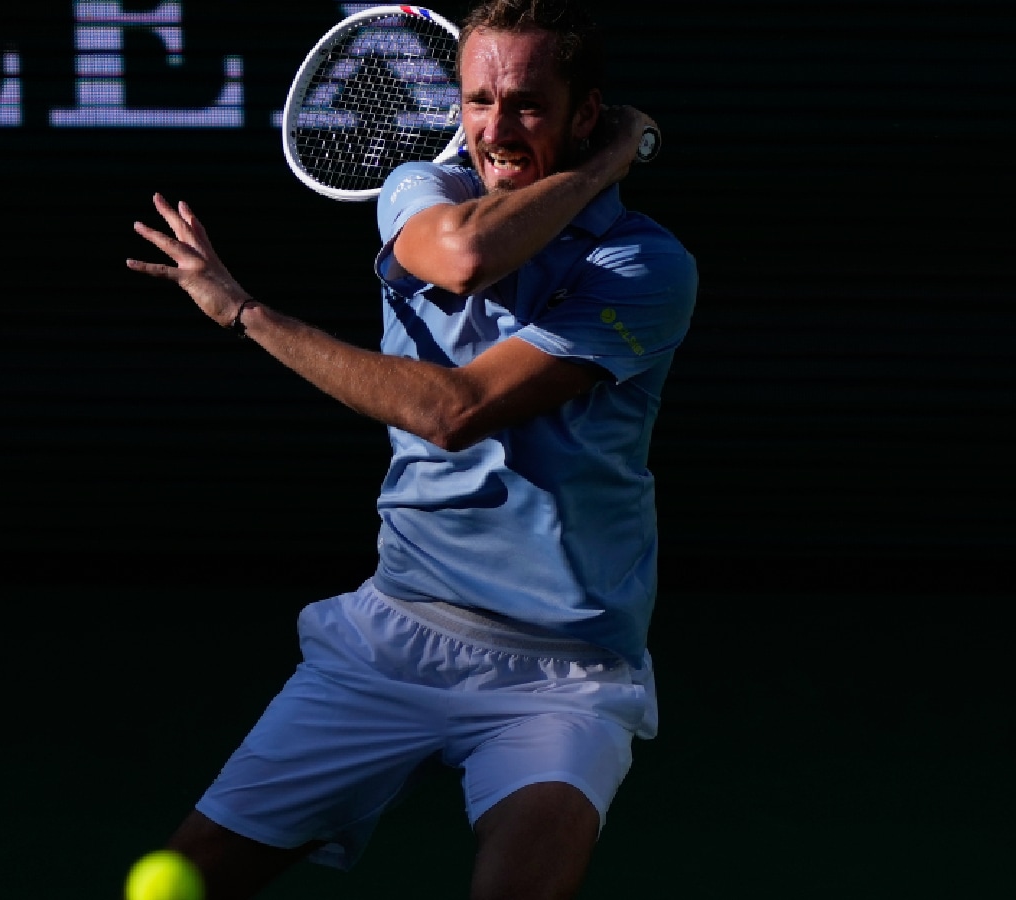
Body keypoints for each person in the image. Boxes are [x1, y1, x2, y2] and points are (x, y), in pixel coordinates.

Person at [124, 1, 697, 897]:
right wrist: (610, 163)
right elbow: (466, 258)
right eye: (477, 101)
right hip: (393, 635)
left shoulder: (647, 265)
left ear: (586, 113)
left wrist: (247, 314)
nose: (495, 129)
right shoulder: (417, 192)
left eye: (529, 105)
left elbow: (455, 411)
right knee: (186, 880)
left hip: (568, 669)